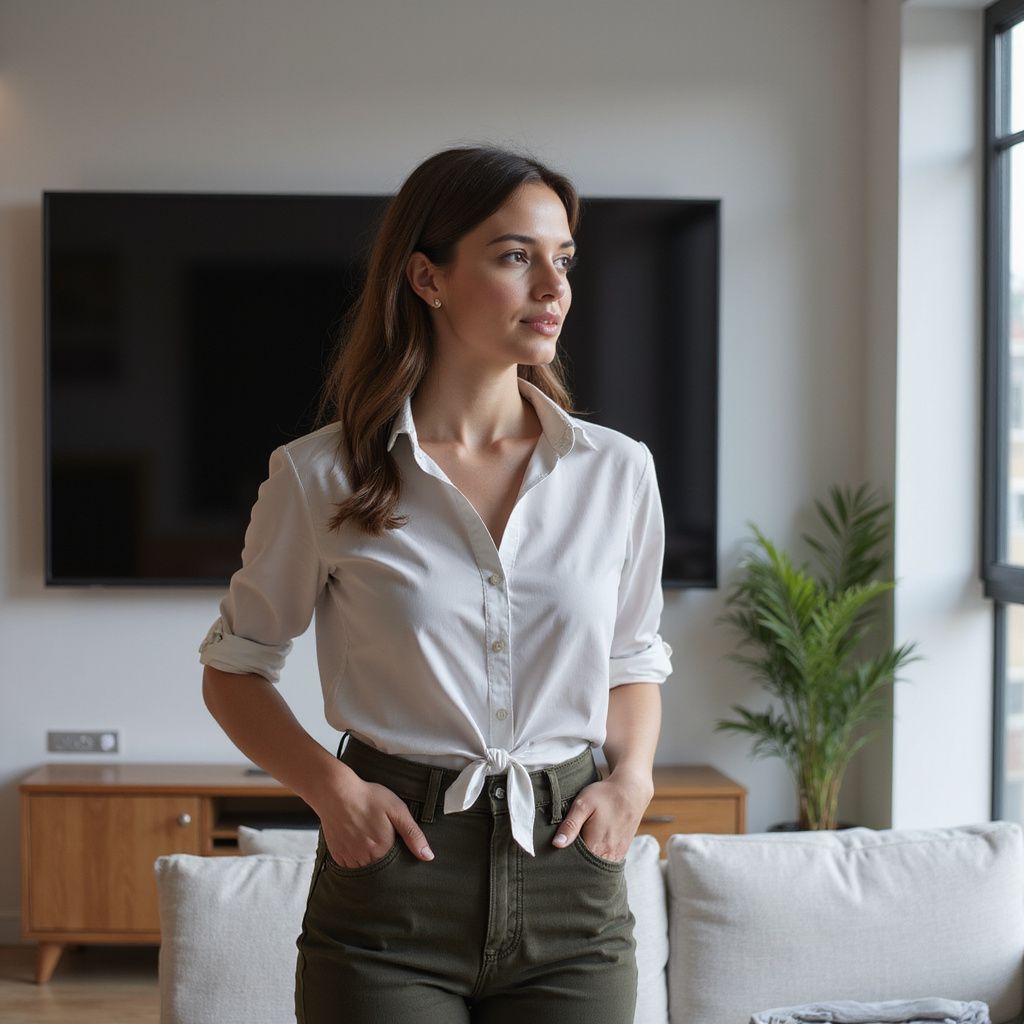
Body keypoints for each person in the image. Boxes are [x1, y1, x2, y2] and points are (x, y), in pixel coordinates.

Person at [198, 143, 674, 1024]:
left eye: (563, 259)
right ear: (427, 277)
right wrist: (331, 791)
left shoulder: (618, 471)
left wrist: (633, 778)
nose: (553, 286)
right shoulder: (320, 476)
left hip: (572, 879)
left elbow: (633, 657)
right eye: (515, 256)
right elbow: (235, 669)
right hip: (393, 886)